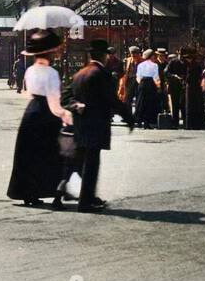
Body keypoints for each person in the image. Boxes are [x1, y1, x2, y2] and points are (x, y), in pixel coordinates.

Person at [7, 29, 76, 207]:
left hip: (31, 112)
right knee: (49, 155)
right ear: (50, 52)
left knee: (28, 154)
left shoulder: (30, 70)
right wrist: (66, 115)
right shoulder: (51, 73)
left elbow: (28, 93)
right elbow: (54, 103)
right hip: (46, 114)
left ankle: (27, 193)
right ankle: (50, 191)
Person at [66, 38, 136, 213]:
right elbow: (111, 99)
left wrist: (77, 106)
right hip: (96, 123)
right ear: (104, 56)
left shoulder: (79, 74)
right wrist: (128, 116)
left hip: (80, 124)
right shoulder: (101, 74)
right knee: (91, 164)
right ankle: (86, 201)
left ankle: (84, 197)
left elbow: (65, 97)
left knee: (82, 162)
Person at [134, 49, 162, 128]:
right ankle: (147, 122)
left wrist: (141, 84)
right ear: (151, 56)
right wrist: (158, 86)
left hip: (142, 83)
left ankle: (139, 121)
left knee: (141, 102)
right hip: (151, 83)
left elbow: (138, 76)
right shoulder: (155, 65)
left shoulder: (140, 65)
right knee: (149, 103)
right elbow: (156, 77)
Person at [183, 48, 205, 129]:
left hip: (191, 88)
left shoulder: (191, 66)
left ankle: (190, 124)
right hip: (196, 88)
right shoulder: (197, 65)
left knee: (190, 106)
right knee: (197, 106)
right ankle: (198, 124)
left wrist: (185, 80)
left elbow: (188, 78)